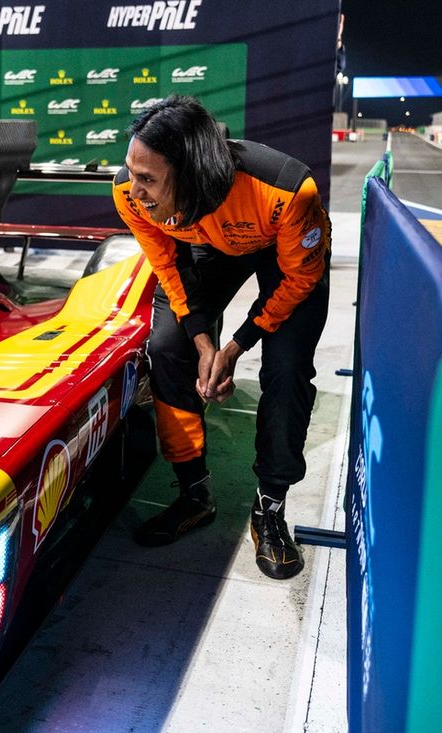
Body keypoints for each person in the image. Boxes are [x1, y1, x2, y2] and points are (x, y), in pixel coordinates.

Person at [112, 96, 330, 580]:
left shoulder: (290, 190)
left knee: (288, 367)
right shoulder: (128, 192)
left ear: (189, 173)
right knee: (168, 345)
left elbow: (298, 282)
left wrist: (235, 345)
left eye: (148, 179)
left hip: (284, 256)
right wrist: (200, 339)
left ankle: (269, 509)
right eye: (130, 171)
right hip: (211, 244)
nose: (135, 189)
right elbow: (166, 266)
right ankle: (194, 493)